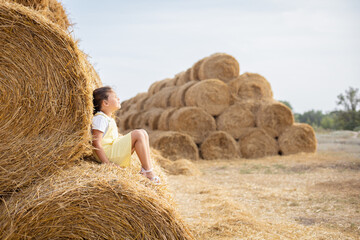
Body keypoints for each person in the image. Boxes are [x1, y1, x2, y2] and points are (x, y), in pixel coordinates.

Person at [91, 86, 160, 183]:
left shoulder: (108, 118)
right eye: (115, 97)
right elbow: (96, 143)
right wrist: (107, 163)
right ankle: (147, 171)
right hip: (107, 154)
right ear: (105, 103)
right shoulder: (100, 118)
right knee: (138, 134)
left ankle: (148, 169)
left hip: (111, 152)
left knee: (143, 133)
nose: (118, 98)